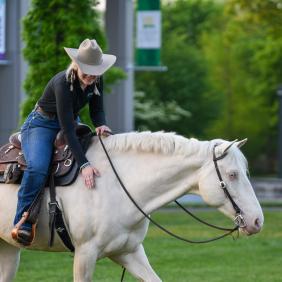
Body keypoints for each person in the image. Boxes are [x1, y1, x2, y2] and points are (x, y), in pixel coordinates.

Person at [11, 38, 116, 245]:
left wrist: (101, 124)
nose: (90, 78)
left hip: (68, 121)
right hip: (42, 124)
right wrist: (85, 165)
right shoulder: (62, 82)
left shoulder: (96, 79)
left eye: (95, 73)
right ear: (76, 65)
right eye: (86, 72)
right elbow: (67, 129)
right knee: (38, 167)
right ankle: (22, 222)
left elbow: (97, 109)